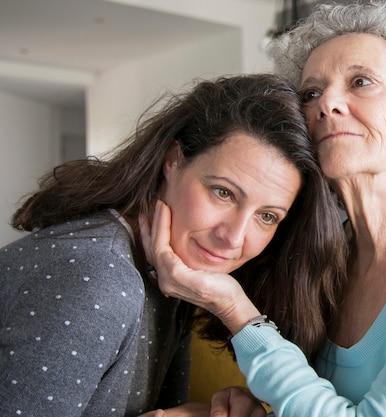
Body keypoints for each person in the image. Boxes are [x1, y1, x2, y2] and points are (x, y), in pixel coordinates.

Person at [144, 1, 386, 416]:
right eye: (311, 93)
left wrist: (236, 311)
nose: (327, 104)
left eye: (360, 81)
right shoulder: (316, 251)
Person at [0, 74, 347, 417]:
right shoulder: (101, 281)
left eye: (267, 216)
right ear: (173, 159)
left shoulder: (174, 273)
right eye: (223, 193)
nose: (234, 237)